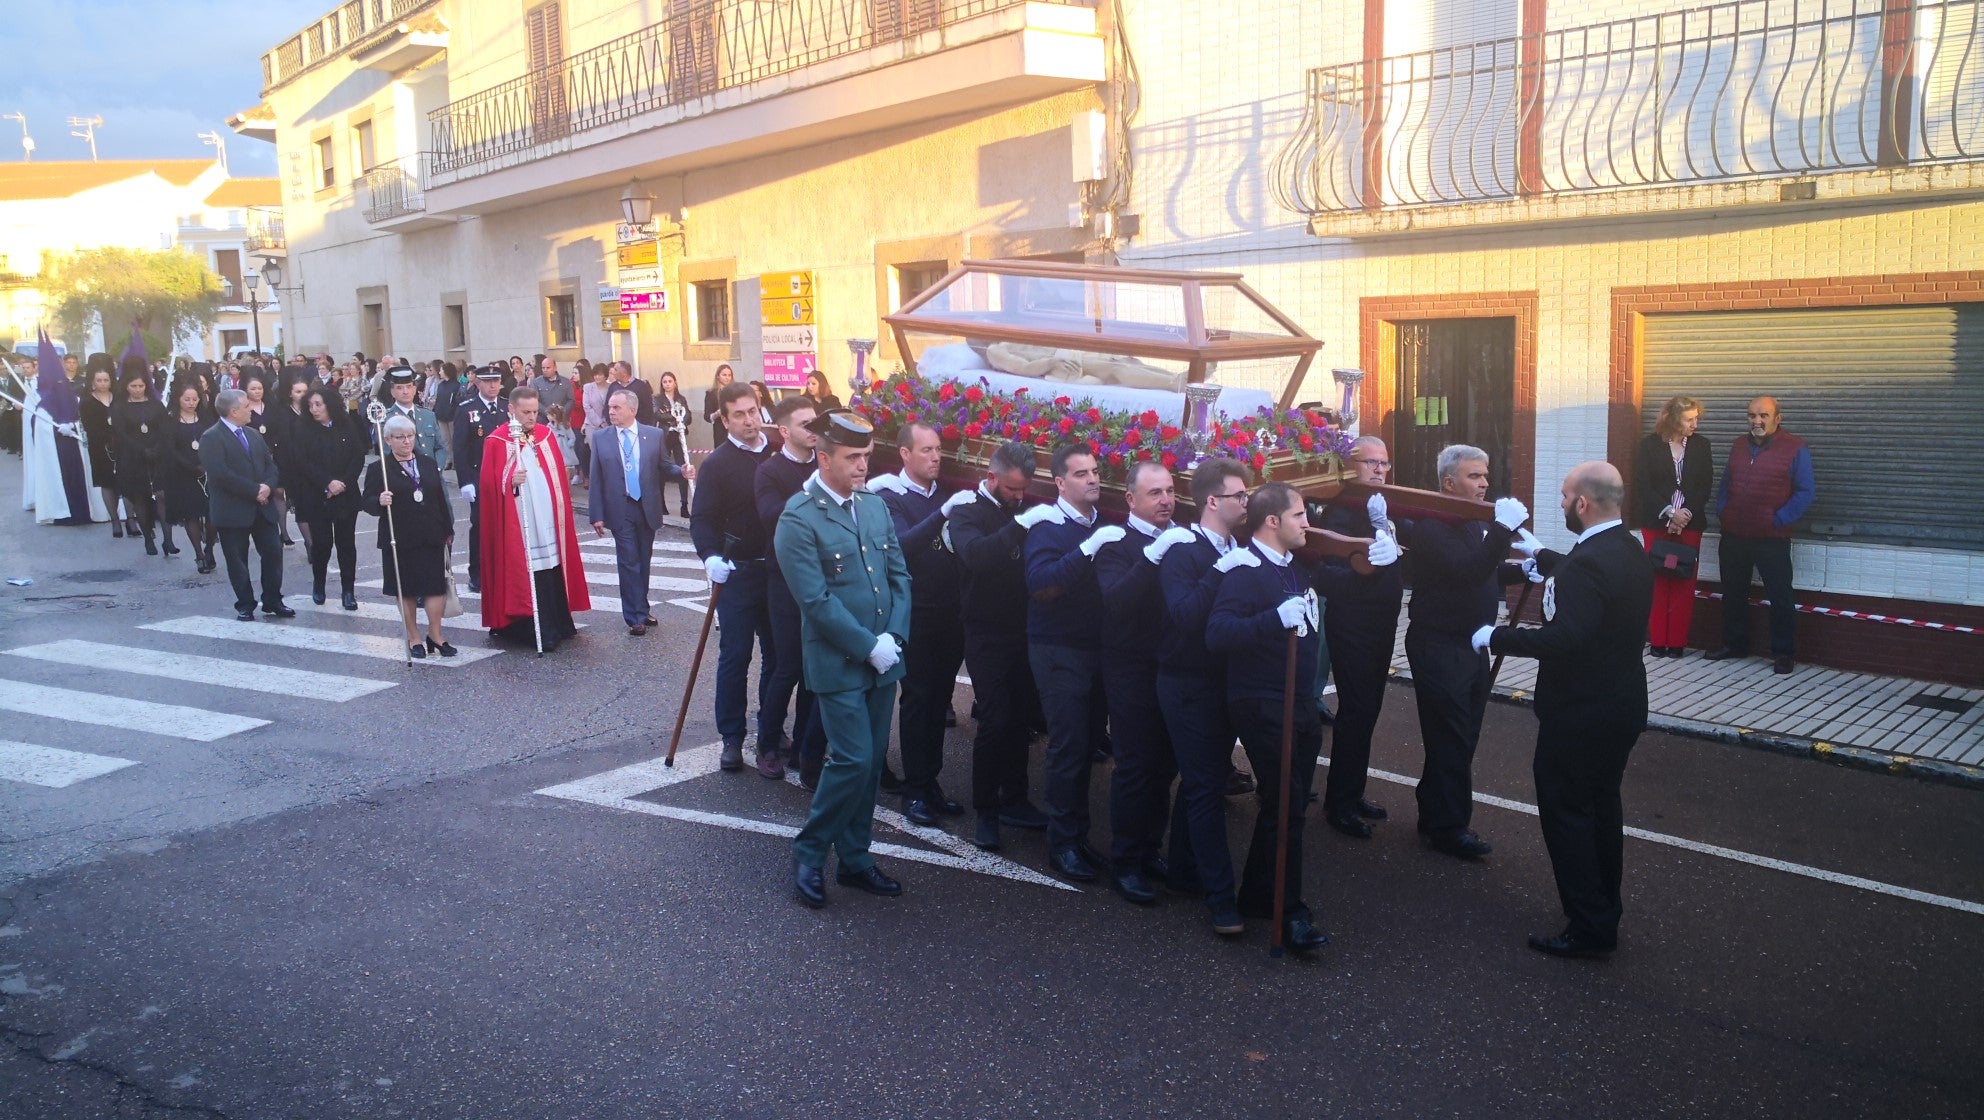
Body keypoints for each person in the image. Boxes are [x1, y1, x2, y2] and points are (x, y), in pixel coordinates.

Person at [1474, 462, 1654, 958]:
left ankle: (1588, 927)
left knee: (1568, 815)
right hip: (1620, 705)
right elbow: (1592, 582)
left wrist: (1496, 637)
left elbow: (1566, 637)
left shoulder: (1588, 563)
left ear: (1583, 503)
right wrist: (1544, 555)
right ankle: (1603, 911)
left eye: (1564, 496)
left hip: (1580, 713)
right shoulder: (1628, 548)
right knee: (1601, 810)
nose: (1560, 504)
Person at [776, 409, 912, 909]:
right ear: (823, 457)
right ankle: (810, 852)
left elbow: (899, 576)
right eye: (852, 457)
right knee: (852, 759)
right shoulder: (798, 518)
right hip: (839, 662)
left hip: (884, 657)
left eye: (866, 456)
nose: (862, 466)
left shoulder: (873, 506)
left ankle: (855, 858)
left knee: (871, 764)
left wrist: (894, 636)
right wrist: (869, 646)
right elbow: (815, 601)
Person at [1204, 482, 1332, 954]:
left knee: (1288, 805)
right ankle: (1289, 912)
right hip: (1262, 701)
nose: (1307, 523)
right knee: (1286, 801)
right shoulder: (1245, 570)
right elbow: (1218, 633)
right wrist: (1272, 619)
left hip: (1298, 702)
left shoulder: (1293, 566)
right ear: (1272, 521)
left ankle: (1260, 893)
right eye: (1300, 515)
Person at [1401, 445, 1529, 860]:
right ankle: (1450, 827)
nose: (1485, 483)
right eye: (1475, 476)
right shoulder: (1432, 526)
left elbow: (1485, 570)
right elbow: (1466, 572)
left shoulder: (1471, 521)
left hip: (1472, 644)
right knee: (1451, 736)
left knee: (1462, 735)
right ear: (1449, 483)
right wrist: (1501, 532)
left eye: (1485, 474)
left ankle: (1434, 812)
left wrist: (1521, 570)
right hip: (1440, 644)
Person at [1087, 460, 1194, 904]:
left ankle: (1149, 849)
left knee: (1165, 763)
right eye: (1155, 493)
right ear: (1131, 499)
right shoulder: (1117, 544)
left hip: (1172, 667)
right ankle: (1126, 862)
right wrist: (1153, 556)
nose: (1166, 500)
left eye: (1169, 491)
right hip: (1130, 667)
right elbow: (1117, 601)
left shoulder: (1182, 539)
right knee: (1135, 765)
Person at [1156, 457, 1254, 935]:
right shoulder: (1183, 550)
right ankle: (1221, 898)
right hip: (1187, 683)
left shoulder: (1241, 548)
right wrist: (1221, 570)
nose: (1247, 502)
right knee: (1204, 785)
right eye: (1240, 496)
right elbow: (1184, 615)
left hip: (1224, 683)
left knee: (1203, 780)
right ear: (1213, 501)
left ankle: (1182, 870)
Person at [1019, 444, 1115, 883]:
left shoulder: (1103, 524)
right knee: (1068, 745)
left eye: (1095, 471)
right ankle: (1061, 844)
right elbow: (1041, 586)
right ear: (1060, 483)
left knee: (1089, 743)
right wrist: (1087, 550)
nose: (1093, 479)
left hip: (1095, 649)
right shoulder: (1047, 527)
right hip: (1058, 649)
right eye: (1081, 473)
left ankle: (1078, 835)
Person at [867, 422, 972, 824]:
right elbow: (902, 546)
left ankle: (930, 782)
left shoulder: (945, 494)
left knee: (938, 701)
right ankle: (914, 791)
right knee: (917, 700)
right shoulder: (889, 497)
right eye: (926, 450)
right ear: (905, 454)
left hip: (949, 615)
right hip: (915, 617)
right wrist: (943, 513)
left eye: (938, 449)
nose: (935, 457)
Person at [947, 441, 1048, 851]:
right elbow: (976, 555)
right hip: (985, 632)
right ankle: (986, 811)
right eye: (1011, 489)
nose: (1019, 497)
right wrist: (1021, 525)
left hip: (1025, 629)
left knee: (1021, 718)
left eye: (1024, 489)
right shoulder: (967, 511)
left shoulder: (1022, 507)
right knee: (995, 719)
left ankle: (1015, 799)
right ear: (991, 477)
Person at [1311, 435, 1405, 839]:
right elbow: (1328, 571)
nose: (1380, 470)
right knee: (1355, 712)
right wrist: (1366, 568)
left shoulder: (1385, 505)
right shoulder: (1341, 511)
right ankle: (1340, 804)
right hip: (1353, 626)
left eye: (1384, 463)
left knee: (1368, 713)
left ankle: (1353, 790)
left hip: (1382, 623)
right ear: (1352, 466)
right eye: (1371, 463)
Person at [691, 380, 778, 771]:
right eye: (739, 415)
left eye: (752, 411)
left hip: (777, 571)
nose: (749, 420)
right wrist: (710, 557)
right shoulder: (717, 464)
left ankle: (771, 728)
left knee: (779, 656)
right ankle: (731, 736)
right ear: (725, 421)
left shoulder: (777, 453)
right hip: (737, 573)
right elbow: (702, 518)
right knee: (736, 655)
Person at [1706, 396, 1812, 674]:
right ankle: (1734, 644)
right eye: (1752, 415)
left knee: (1780, 595)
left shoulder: (1795, 448)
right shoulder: (1739, 445)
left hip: (1771, 538)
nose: (1757, 421)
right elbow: (1726, 483)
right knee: (1733, 592)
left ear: (1778, 418)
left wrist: (1778, 520)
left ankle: (1783, 653)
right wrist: (1724, 511)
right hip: (1734, 534)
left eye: (1764, 415)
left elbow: (1805, 492)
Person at [478, 387, 590, 651]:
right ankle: (527, 627)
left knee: (552, 564)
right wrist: (509, 480)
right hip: (520, 518)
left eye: (534, 411)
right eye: (525, 412)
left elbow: (557, 476)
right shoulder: (497, 440)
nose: (531, 417)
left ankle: (559, 623)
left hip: (547, 514)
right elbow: (488, 485)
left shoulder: (545, 434)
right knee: (527, 567)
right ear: (511, 410)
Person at [753, 395, 825, 783]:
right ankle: (767, 744)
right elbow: (770, 516)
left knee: (816, 669)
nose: (813, 430)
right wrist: (811, 489)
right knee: (789, 666)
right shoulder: (770, 471)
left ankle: (804, 749)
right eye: (804, 424)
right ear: (784, 431)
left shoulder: (824, 463)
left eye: (815, 422)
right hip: (784, 580)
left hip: (823, 577)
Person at [589, 387, 691, 635]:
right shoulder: (601, 438)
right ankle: (634, 616)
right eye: (610, 407)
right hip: (619, 507)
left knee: (643, 560)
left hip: (647, 506)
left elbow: (665, 465)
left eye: (616, 407)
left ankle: (642, 609)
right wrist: (596, 514)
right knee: (629, 561)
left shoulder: (653, 435)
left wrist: (682, 471)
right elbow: (596, 478)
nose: (611, 412)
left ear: (632, 410)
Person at [364, 414, 458, 658]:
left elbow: (439, 497)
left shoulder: (426, 463)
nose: (406, 441)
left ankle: (435, 635)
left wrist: (447, 528)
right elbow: (366, 502)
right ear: (388, 440)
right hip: (400, 537)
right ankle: (414, 636)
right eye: (400, 437)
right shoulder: (379, 469)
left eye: (410, 436)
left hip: (431, 533)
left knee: (435, 587)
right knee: (405, 589)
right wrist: (379, 500)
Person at [199, 388, 291, 621]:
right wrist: (254, 491)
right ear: (233, 411)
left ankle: (272, 599)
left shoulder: (253, 434)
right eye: (247, 406)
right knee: (237, 559)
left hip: (263, 508)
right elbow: (220, 474)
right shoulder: (211, 437)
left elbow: (270, 465)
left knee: (273, 553)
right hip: (233, 510)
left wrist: (267, 486)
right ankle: (245, 603)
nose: (251, 410)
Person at [1635, 396, 1713, 658]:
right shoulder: (1649, 445)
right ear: (1672, 419)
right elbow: (1643, 485)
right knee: (1658, 581)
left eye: (1696, 419)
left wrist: (1685, 514)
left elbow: (1705, 486)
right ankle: (1658, 642)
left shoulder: (1701, 445)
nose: (1695, 424)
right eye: (1689, 419)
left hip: (1690, 525)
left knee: (1683, 582)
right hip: (1657, 524)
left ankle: (1677, 643)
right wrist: (1669, 513)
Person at [291, 386, 365, 609]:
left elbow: (357, 456)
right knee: (322, 544)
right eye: (310, 405)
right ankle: (319, 584)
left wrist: (343, 483)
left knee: (346, 544)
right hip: (318, 495)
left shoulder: (346, 425)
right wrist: (327, 483)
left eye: (318, 404)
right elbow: (302, 462)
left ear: (329, 405)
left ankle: (348, 591)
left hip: (345, 494)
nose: (314, 409)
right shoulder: (303, 429)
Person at [453, 366, 509, 593]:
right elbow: (460, 449)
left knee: (506, 525)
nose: (493, 385)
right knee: (480, 527)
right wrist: (465, 481)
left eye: (496, 381)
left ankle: (504, 570)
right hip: (479, 476)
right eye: (488, 381)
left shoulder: (507, 407)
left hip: (506, 476)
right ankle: (477, 573)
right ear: (478, 384)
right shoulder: (467, 409)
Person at [155, 383, 217, 571]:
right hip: (182, 474)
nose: (191, 403)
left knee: (213, 514)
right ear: (178, 399)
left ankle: (209, 548)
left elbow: (214, 442)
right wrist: (191, 467)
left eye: (195, 399)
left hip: (208, 471)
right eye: (187, 399)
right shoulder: (170, 422)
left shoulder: (206, 419)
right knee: (191, 515)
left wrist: (207, 464)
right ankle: (199, 554)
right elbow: (170, 450)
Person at [109, 363, 167, 554]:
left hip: (157, 455)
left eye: (141, 386)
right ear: (126, 386)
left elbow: (164, 427)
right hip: (132, 457)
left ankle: (168, 539)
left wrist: (157, 447)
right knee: (140, 498)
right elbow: (121, 432)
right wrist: (141, 449)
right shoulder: (120, 407)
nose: (137, 390)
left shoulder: (156, 404)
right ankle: (148, 538)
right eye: (133, 386)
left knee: (162, 497)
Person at [77, 364, 121, 536]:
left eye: (106, 380)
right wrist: (108, 438)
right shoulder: (87, 402)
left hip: (122, 445)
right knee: (107, 482)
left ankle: (131, 520)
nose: (103, 383)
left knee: (125, 481)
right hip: (100, 447)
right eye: (99, 380)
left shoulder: (118, 398)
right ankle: (115, 520)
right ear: (93, 382)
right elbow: (90, 426)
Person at [378, 365, 444, 464]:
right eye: (399, 388)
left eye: (409, 386)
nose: (405, 392)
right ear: (392, 392)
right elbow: (387, 452)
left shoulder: (428, 415)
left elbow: (440, 447)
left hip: (432, 472)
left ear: (414, 389)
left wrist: (435, 469)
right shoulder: (386, 419)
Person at [657, 371, 693, 516]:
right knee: (662, 468)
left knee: (683, 467)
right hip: (665, 435)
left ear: (675, 383)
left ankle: (684, 505)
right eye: (664, 382)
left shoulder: (681, 399)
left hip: (678, 435)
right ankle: (661, 503)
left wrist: (680, 420)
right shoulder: (658, 399)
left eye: (670, 381)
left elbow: (688, 415)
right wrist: (675, 417)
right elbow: (658, 414)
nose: (667, 384)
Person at [577, 364, 610, 488]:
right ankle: (595, 481)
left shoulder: (611, 387)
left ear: (605, 375)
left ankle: (607, 480)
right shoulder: (588, 387)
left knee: (606, 453)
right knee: (595, 453)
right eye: (595, 374)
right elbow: (586, 406)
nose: (597, 377)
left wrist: (605, 422)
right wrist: (599, 422)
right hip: (592, 425)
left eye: (600, 374)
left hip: (608, 424)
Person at [605, 360, 655, 426]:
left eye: (616, 370)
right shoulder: (613, 387)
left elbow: (648, 409)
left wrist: (641, 427)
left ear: (624, 373)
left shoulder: (641, 386)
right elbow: (607, 407)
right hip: (617, 427)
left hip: (637, 427)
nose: (613, 372)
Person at [530, 356, 575, 421]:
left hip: (562, 420)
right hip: (543, 420)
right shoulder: (536, 382)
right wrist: (548, 413)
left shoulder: (565, 382)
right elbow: (534, 401)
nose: (545, 370)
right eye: (543, 368)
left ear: (555, 368)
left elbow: (571, 400)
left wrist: (562, 412)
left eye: (548, 368)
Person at [701, 363, 736, 445]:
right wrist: (717, 413)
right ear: (718, 376)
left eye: (729, 375)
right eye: (724, 375)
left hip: (735, 429)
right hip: (720, 431)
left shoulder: (736, 391)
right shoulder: (711, 393)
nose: (727, 378)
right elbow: (707, 416)